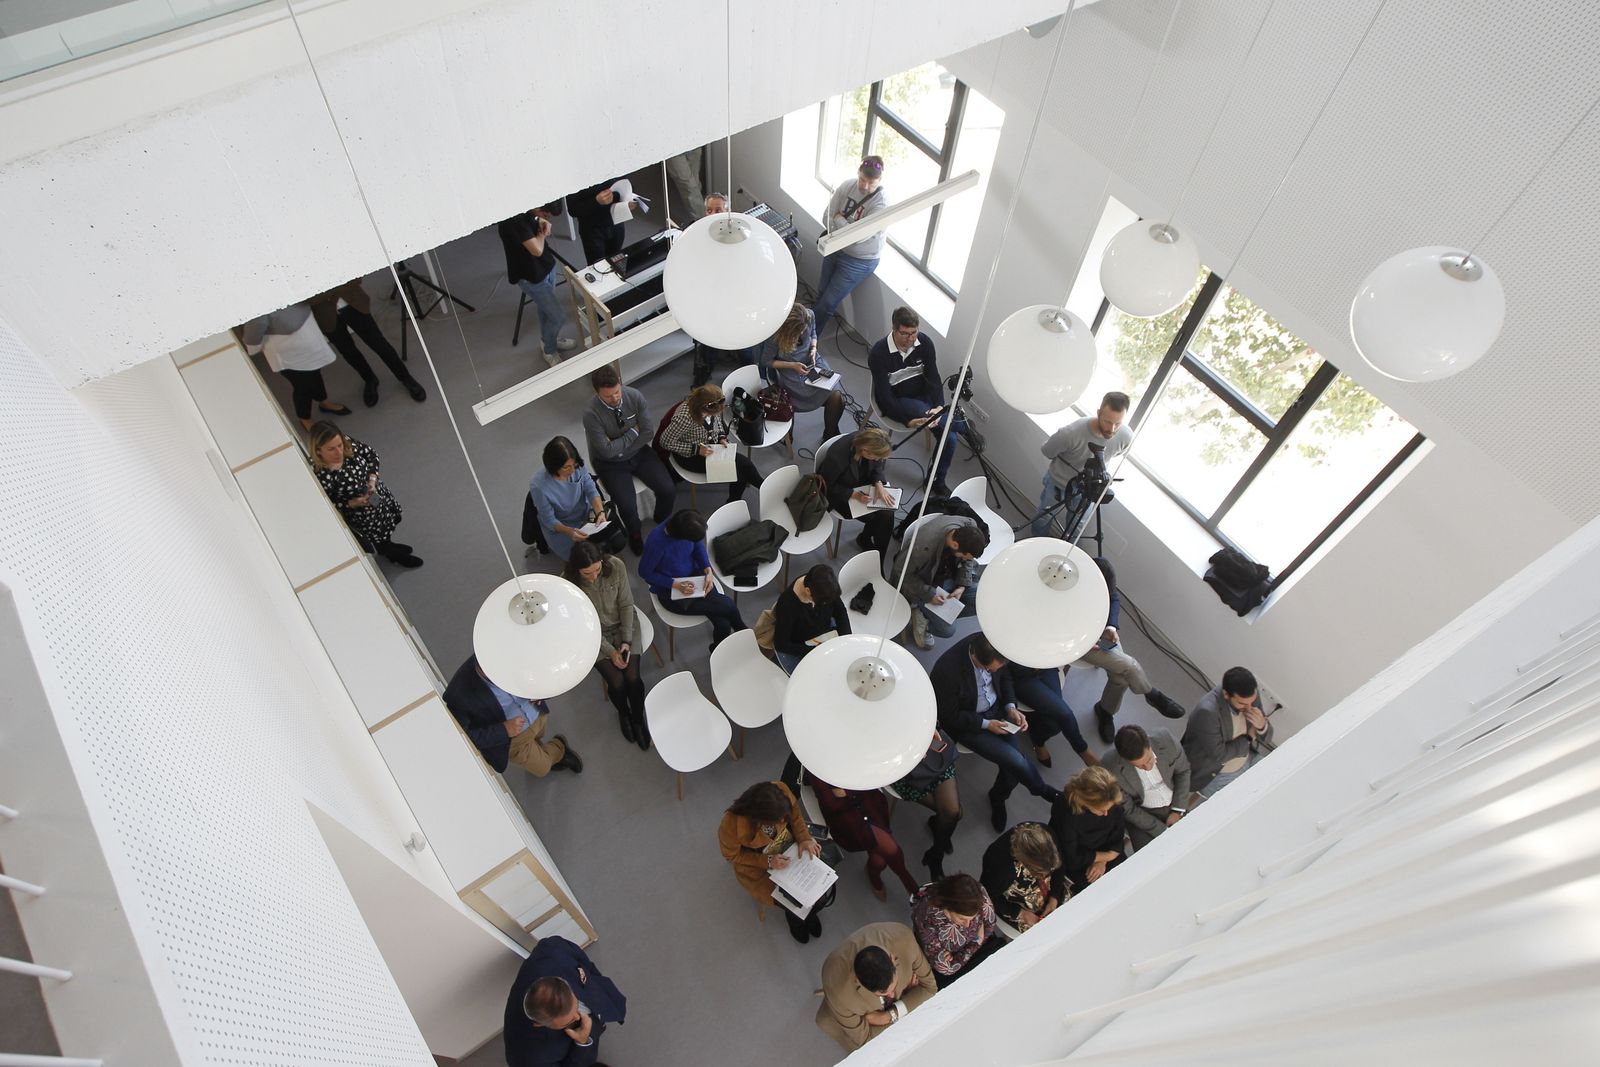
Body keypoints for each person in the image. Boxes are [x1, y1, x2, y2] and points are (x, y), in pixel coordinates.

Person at [931, 633, 1063, 833]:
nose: (994, 671)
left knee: (1013, 769)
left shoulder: (996, 646)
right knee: (1016, 761)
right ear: (975, 657)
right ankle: (1044, 791)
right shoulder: (946, 671)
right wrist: (986, 725)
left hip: (998, 711)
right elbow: (949, 716)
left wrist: (1010, 707)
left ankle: (998, 796)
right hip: (970, 724)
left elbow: (1005, 677)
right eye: (988, 669)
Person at [1082, 557, 1189, 743]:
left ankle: (1105, 711)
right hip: (1079, 642)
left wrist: (1111, 627)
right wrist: (1085, 639)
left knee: (1121, 678)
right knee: (1129, 666)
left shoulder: (1104, 573)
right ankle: (1151, 694)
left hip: (1100, 635)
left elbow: (1114, 598)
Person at [867, 306, 967, 494]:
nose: (911, 338)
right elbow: (884, 397)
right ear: (894, 329)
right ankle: (962, 425)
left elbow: (934, 377)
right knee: (947, 426)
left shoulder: (925, 343)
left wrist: (939, 406)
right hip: (901, 399)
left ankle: (936, 481)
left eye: (914, 333)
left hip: (925, 396)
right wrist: (906, 420)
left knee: (950, 438)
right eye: (905, 334)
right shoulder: (879, 353)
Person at [717, 780, 828, 943]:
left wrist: (804, 838)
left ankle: (810, 914)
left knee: (819, 894)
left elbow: (795, 816)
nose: (783, 820)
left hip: (790, 847)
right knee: (792, 903)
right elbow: (732, 856)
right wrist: (768, 861)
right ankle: (796, 922)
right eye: (777, 820)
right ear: (759, 819)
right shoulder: (731, 825)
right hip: (757, 864)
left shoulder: (780, 791)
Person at [564, 542, 649, 751]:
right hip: (592, 634)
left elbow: (626, 604)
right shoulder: (567, 584)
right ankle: (624, 713)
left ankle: (638, 719)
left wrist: (626, 641)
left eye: (597, 570)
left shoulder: (616, 566)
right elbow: (581, 625)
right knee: (617, 682)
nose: (593, 577)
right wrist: (610, 651)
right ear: (576, 569)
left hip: (623, 624)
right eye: (587, 573)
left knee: (633, 678)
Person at [583, 364, 674, 554]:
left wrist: (618, 447)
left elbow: (647, 432)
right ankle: (635, 534)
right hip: (609, 464)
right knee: (627, 506)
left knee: (668, 489)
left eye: (617, 392)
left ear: (620, 382)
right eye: (608, 396)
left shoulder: (634, 396)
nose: (615, 398)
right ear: (596, 393)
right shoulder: (591, 414)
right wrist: (633, 432)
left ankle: (660, 518)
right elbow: (606, 452)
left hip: (639, 453)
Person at [442, 655, 582, 778]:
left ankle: (541, 750)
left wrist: (540, 692)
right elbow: (464, 738)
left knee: (538, 736)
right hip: (514, 739)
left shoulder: (509, 653)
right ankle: (559, 748)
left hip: (537, 713)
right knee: (543, 768)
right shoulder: (458, 695)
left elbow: (543, 670)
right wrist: (504, 730)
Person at [308, 422, 421, 567]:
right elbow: (328, 506)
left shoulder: (346, 443)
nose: (339, 452)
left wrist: (372, 480)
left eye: (340, 445)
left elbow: (371, 454)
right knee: (379, 537)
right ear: (318, 451)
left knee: (388, 523)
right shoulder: (320, 475)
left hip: (376, 494)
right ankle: (392, 554)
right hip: (362, 515)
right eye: (331, 449)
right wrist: (352, 503)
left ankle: (389, 546)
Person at [503, 935, 625, 1067]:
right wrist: (582, 1042)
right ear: (538, 1024)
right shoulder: (529, 1059)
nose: (579, 1016)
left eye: (576, 1006)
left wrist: (597, 979)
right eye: (569, 1022)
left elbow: (584, 963)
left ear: (563, 983)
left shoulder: (551, 950)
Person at [814, 922, 936, 1052]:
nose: (892, 995)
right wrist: (911, 998)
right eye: (884, 994)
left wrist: (889, 1016)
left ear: (892, 958)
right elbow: (866, 1039)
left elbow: (930, 988)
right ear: (859, 982)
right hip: (844, 1012)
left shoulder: (904, 939)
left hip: (875, 1018)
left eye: (893, 986)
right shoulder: (841, 995)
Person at [638, 509, 746, 648]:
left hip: (695, 577)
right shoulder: (656, 543)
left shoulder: (684, 525)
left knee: (723, 623)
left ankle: (721, 646)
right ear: (681, 537)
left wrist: (707, 569)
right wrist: (676, 584)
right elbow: (645, 573)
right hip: (671, 593)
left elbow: (697, 546)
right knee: (728, 606)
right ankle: (744, 633)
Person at [308, 279, 426, 406]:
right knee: (349, 352)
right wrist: (334, 288)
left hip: (354, 302)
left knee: (380, 344)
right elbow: (306, 299)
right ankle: (370, 379)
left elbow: (355, 277)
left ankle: (405, 377)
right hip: (325, 315)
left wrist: (326, 293)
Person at [1033, 391, 1134, 536]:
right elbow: (1047, 451)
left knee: (1076, 528)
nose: (1112, 429)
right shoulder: (1070, 433)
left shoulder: (1126, 436)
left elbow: (1118, 452)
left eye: (1117, 423)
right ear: (1098, 413)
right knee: (1043, 518)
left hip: (1088, 490)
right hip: (1058, 484)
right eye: (1107, 422)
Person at [807, 773, 919, 901]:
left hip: (870, 805)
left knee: (881, 858)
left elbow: (871, 778)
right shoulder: (818, 768)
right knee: (891, 850)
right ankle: (912, 888)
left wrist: (847, 791)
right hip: (847, 820)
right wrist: (855, 787)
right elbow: (831, 804)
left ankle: (876, 875)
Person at [241, 303, 351, 429]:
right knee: (302, 387)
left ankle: (324, 402)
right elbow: (253, 331)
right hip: (289, 355)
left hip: (309, 342)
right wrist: (254, 347)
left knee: (315, 375)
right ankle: (304, 418)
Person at [814, 155, 889, 337]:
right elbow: (826, 217)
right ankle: (809, 329)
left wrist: (839, 219)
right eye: (862, 180)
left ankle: (807, 338)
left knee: (829, 301)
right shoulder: (847, 186)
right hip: (835, 247)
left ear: (879, 181)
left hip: (858, 261)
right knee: (822, 292)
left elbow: (858, 238)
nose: (865, 186)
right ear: (858, 173)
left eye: (871, 183)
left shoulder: (881, 204)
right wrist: (845, 227)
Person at [689, 192, 758, 387]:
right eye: (709, 210)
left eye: (718, 210)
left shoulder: (741, 237)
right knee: (709, 341)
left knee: (743, 342)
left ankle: (749, 371)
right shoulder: (699, 236)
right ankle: (706, 369)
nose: (712, 214)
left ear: (728, 211)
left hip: (736, 302)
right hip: (712, 301)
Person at [498, 204, 577, 368]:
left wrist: (541, 221)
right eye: (545, 214)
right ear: (538, 207)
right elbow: (537, 250)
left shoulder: (530, 211)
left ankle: (548, 339)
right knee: (558, 317)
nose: (546, 218)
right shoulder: (514, 220)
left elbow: (535, 223)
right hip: (531, 277)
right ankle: (549, 350)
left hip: (546, 267)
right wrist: (542, 233)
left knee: (545, 310)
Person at [658, 384, 764, 503]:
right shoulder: (685, 418)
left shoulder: (714, 405)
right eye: (712, 414)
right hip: (690, 456)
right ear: (702, 407)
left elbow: (717, 421)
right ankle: (755, 492)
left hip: (710, 446)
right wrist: (697, 449)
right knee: (740, 470)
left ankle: (759, 490)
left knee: (743, 466)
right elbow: (665, 442)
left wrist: (721, 437)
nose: (715, 415)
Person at [757, 302, 846, 441]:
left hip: (812, 362)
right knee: (814, 393)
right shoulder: (775, 336)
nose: (802, 333)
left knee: (837, 396)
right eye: (798, 332)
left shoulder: (809, 315)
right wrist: (793, 365)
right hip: (790, 371)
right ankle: (794, 434)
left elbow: (813, 333)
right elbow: (766, 361)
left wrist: (813, 348)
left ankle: (830, 432)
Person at [895, 516, 987, 648]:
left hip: (947, 578)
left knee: (981, 600)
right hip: (923, 585)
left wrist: (961, 585)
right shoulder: (922, 548)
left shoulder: (969, 527)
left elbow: (968, 561)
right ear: (955, 545)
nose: (965, 559)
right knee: (947, 630)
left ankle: (928, 616)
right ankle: (922, 615)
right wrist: (929, 595)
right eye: (963, 556)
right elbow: (901, 573)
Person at [1184, 666, 1273, 796]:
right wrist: (1248, 738)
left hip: (1247, 758)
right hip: (1216, 774)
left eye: (1252, 702)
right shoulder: (1207, 712)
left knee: (1276, 780)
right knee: (1248, 801)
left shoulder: (1249, 696)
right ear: (1226, 694)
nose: (1249, 708)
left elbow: (1267, 737)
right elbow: (1218, 755)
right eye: (1242, 704)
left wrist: (1262, 726)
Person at [1101, 724, 1191, 851]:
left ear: (1149, 744)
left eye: (1149, 759)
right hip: (1142, 814)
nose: (1148, 767)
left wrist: (1177, 810)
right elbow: (1128, 809)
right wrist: (1163, 830)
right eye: (1140, 766)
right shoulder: (1110, 767)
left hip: (1176, 801)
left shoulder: (1166, 740)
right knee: (1151, 856)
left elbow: (1183, 771)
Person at [888, 729, 962, 879]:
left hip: (930, 753)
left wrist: (929, 729)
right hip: (901, 767)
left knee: (953, 812)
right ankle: (937, 850)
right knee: (953, 814)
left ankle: (936, 851)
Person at [908, 873, 1002, 989]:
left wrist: (960, 955)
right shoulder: (926, 918)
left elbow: (991, 923)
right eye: (962, 919)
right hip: (962, 963)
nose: (968, 924)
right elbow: (946, 968)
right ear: (947, 907)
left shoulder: (976, 894)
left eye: (972, 918)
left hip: (965, 956)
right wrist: (977, 941)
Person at [817, 427, 897, 555]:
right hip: (841, 494)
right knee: (878, 519)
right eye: (876, 457)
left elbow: (877, 465)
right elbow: (826, 486)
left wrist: (878, 484)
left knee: (887, 513)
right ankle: (869, 546)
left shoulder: (867, 441)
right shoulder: (837, 456)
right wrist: (854, 495)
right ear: (866, 451)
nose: (877, 460)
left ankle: (876, 554)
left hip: (861, 483)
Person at [1048, 766, 1126, 892]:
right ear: (1086, 803)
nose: (1106, 813)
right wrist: (1106, 856)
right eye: (1101, 810)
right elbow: (1071, 857)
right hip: (1081, 862)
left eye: (1109, 808)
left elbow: (1118, 834)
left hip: (1108, 851)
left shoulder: (1110, 798)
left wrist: (1103, 861)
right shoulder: (1065, 813)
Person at [530, 437, 607, 563]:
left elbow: (590, 488)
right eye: (566, 467)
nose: (572, 471)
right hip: (562, 527)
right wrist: (569, 531)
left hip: (584, 513)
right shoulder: (539, 487)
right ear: (553, 466)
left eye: (574, 465)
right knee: (582, 559)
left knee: (610, 542)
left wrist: (600, 512)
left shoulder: (577, 466)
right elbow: (549, 520)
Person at [979, 821, 1066, 932]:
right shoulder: (1000, 868)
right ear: (1025, 863)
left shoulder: (1046, 836)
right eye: (1040, 872)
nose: (1044, 876)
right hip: (1014, 901)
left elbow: (1059, 866)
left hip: (1047, 889)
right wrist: (1021, 913)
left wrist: (1054, 896)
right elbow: (987, 897)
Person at [1009, 663, 1098, 771]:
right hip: (1021, 676)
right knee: (1063, 716)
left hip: (1045, 666)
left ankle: (1037, 741)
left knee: (1055, 721)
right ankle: (1083, 750)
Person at [771, 563, 851, 674]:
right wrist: (815, 651)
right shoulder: (787, 605)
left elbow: (840, 611)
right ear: (808, 591)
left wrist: (846, 638)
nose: (826, 604)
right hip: (803, 644)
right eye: (823, 603)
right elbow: (781, 644)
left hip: (825, 634)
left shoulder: (825, 586)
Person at [569, 177, 628, 265]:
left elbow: (626, 185)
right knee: (597, 265)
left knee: (617, 261)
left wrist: (628, 200)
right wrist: (596, 201)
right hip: (592, 230)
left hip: (616, 223)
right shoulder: (574, 177)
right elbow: (573, 210)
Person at [664, 147, 707, 227]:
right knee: (689, 186)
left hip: (693, 144)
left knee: (695, 182)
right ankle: (702, 223)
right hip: (672, 149)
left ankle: (701, 218)